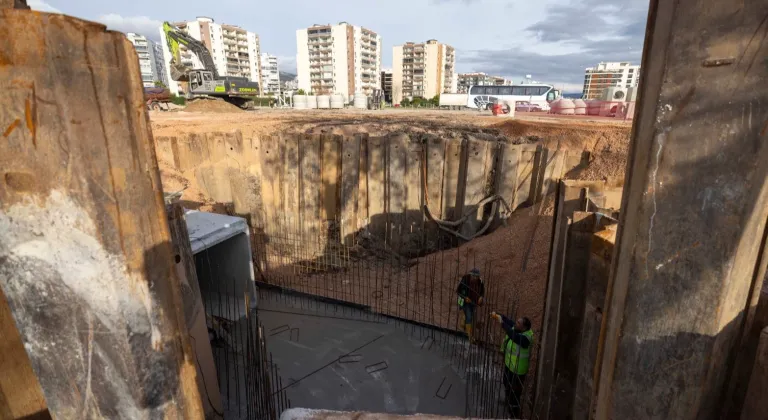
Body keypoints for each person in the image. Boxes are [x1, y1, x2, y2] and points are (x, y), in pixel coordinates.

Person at [490, 312, 533, 419]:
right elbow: (508, 321)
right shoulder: (518, 328)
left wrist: (503, 324)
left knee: (515, 393)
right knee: (506, 382)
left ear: (524, 328)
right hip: (509, 365)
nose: (515, 324)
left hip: (518, 370)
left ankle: (514, 414)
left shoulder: (526, 339)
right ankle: (508, 401)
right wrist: (498, 315)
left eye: (518, 323)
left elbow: (513, 336)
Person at [456, 268, 485, 342]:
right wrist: (465, 297)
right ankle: (470, 336)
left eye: (476, 277)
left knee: (470, 317)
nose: (475, 278)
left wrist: (481, 297)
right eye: (473, 276)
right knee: (469, 317)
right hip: (465, 302)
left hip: (474, 302)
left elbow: (482, 292)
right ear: (470, 275)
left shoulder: (480, 282)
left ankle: (464, 321)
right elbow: (458, 291)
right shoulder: (465, 279)